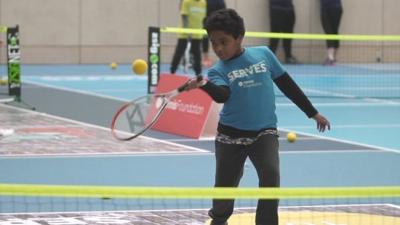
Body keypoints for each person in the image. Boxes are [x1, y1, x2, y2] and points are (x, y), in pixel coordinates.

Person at [185, 8, 330, 225]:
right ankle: (219, 220)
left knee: (271, 175)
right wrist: (205, 84)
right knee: (225, 188)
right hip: (230, 137)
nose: (218, 48)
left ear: (239, 37)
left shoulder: (264, 54)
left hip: (264, 132)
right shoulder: (218, 70)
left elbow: (288, 86)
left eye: (223, 42)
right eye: (214, 43)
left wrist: (313, 113)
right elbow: (223, 95)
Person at [170, 0, 206, 76]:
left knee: (197, 54)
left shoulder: (203, 3)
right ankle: (172, 72)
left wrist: (204, 30)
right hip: (185, 35)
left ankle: (198, 74)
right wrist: (188, 31)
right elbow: (184, 17)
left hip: (197, 34)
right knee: (179, 53)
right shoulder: (187, 2)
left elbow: (203, 19)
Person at [268, 0, 300, 64]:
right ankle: (270, 58)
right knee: (275, 34)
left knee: (288, 35)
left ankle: (288, 57)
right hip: (276, 9)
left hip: (289, 9)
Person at [202, 0, 226, 67]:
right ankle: (205, 59)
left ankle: (220, 58)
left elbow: (224, 13)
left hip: (218, 25)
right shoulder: (205, 1)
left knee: (219, 41)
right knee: (205, 40)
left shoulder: (220, 1)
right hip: (206, 25)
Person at [320, 0, 343, 65]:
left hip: (330, 8)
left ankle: (331, 58)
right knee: (333, 32)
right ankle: (332, 57)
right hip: (335, 8)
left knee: (330, 32)